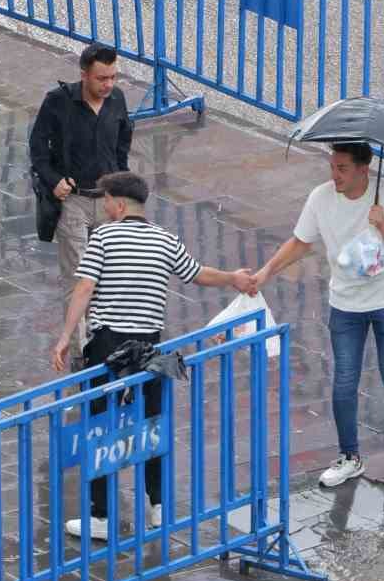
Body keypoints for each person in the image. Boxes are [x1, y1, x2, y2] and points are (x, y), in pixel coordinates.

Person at [49, 172, 254, 540]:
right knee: (150, 425)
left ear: (119, 204)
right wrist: (233, 278)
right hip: (148, 346)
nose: (104, 207)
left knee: (101, 426)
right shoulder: (165, 240)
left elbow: (84, 287)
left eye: (106, 200)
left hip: (108, 345)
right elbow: (197, 274)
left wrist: (66, 336)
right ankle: (159, 508)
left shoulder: (104, 237)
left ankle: (101, 515)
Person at [249, 142, 384, 489]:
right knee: (344, 379)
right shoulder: (321, 198)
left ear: (363, 169)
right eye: (332, 167)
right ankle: (349, 456)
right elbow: (300, 242)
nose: (335, 175)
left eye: (342, 168)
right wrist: (265, 272)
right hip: (346, 304)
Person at [31, 42, 134, 369]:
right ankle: (80, 355)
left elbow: (122, 145)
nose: (108, 85)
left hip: (107, 203)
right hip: (73, 203)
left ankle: (107, 343)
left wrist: (122, 188)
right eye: (102, 78)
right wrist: (53, 180)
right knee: (78, 281)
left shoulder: (117, 101)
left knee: (110, 277)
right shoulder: (57, 102)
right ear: (84, 75)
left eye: (113, 77)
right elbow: (37, 150)